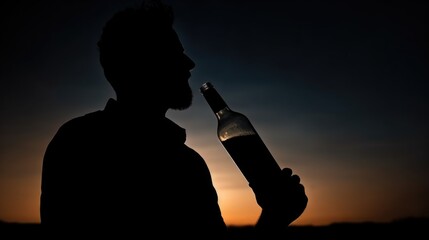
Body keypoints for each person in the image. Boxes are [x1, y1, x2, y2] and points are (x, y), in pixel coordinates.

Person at [40, 0, 308, 238]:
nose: (189, 64)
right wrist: (274, 220)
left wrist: (275, 216)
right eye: (175, 54)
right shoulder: (80, 144)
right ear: (140, 63)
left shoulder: (189, 162)